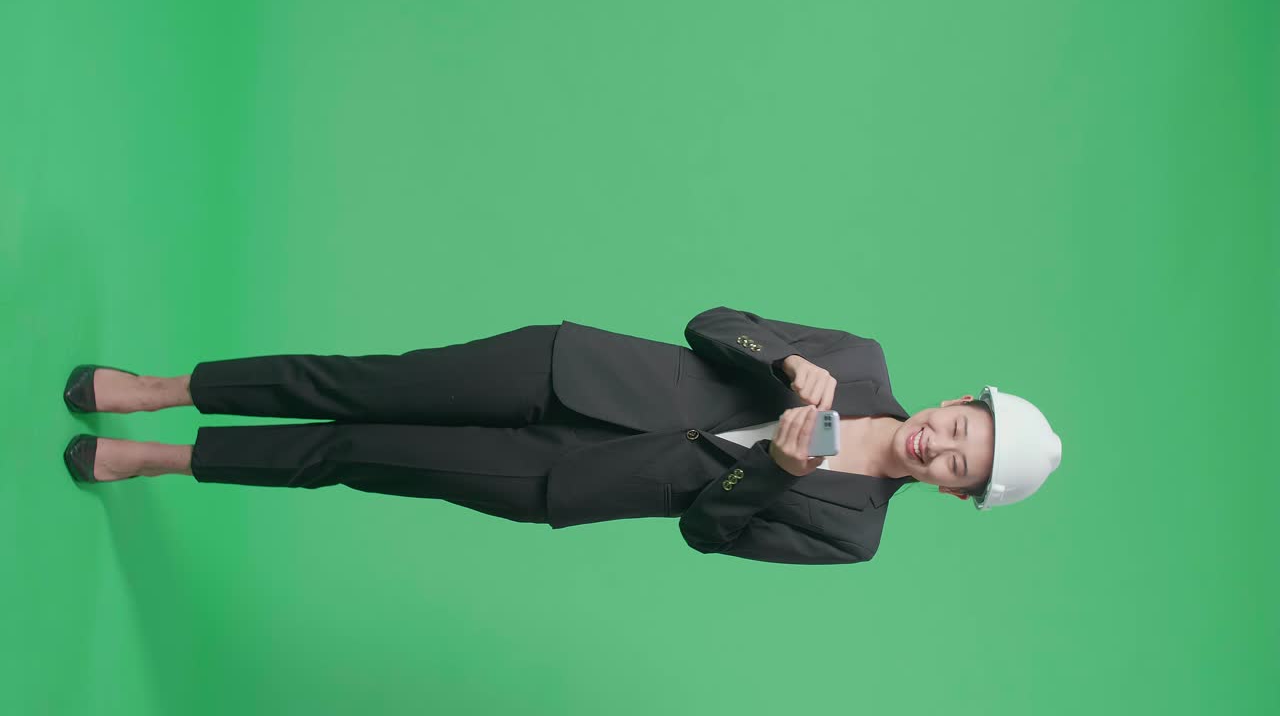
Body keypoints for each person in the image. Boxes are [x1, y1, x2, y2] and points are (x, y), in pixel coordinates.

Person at [62, 306, 1062, 565]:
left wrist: (771, 469)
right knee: (362, 382)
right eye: (960, 426)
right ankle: (162, 390)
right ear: (953, 402)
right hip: (565, 367)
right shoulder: (857, 355)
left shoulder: (852, 531)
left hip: (568, 477)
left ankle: (162, 459)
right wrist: (783, 365)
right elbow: (710, 324)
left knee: (354, 452)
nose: (942, 443)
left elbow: (703, 533)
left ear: (953, 493)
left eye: (961, 466)